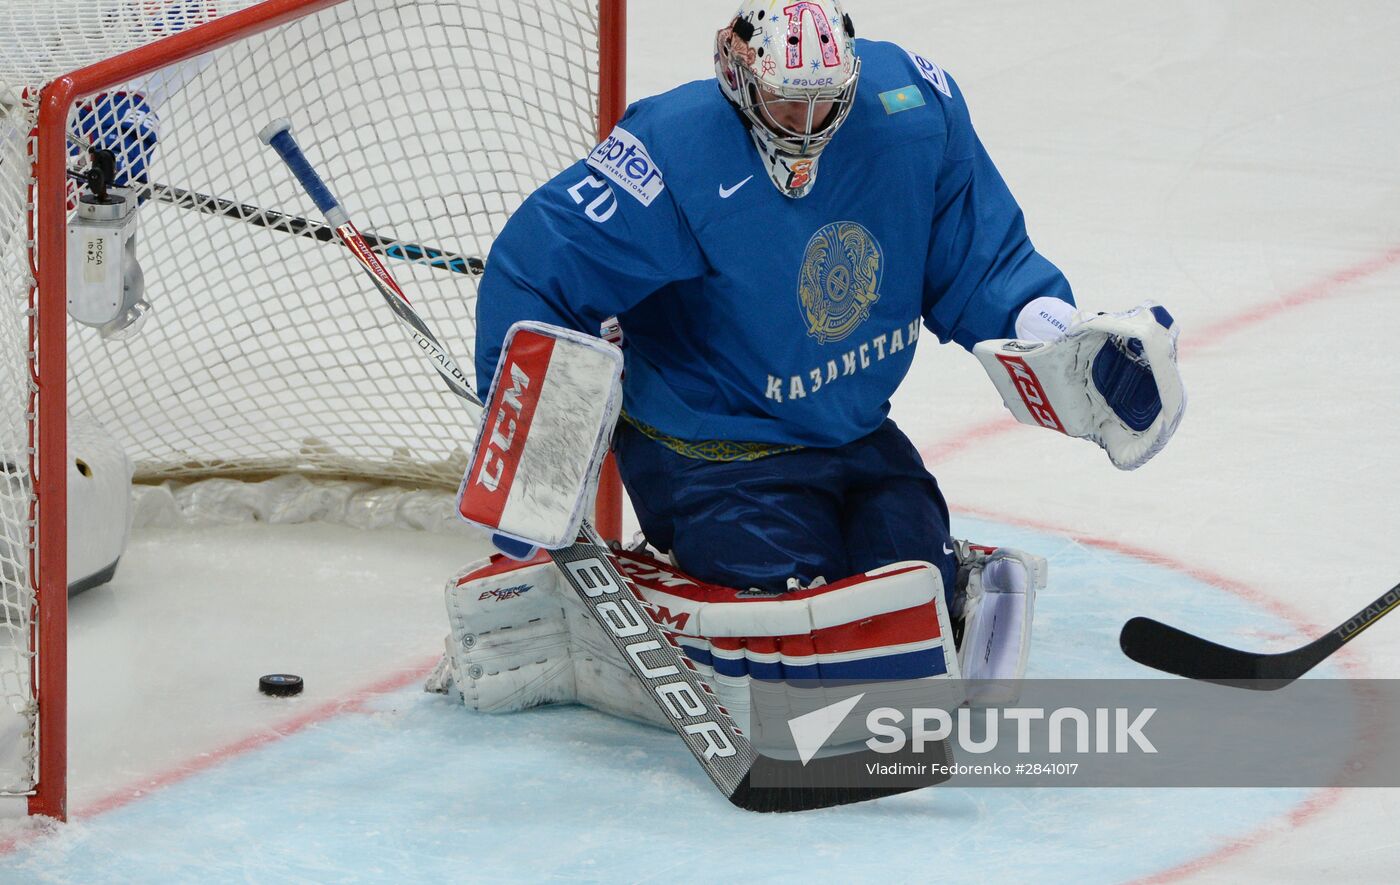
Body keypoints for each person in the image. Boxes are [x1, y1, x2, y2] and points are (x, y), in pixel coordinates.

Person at [431, 0, 1184, 723]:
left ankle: (942, 573)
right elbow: (537, 271)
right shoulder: (673, 152)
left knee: (903, 561)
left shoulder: (913, 107)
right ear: (739, 73)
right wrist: (534, 457)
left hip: (852, 433)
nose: (807, 126)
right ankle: (633, 624)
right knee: (803, 603)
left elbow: (981, 263)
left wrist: (1057, 333)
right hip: (708, 452)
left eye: (825, 103)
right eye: (787, 103)